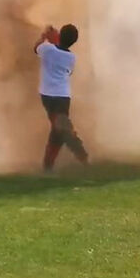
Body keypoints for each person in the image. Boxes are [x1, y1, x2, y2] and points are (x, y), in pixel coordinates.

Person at [34, 24, 89, 172]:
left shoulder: (47, 49)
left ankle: (53, 164)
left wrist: (44, 36)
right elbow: (68, 72)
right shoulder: (71, 57)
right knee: (60, 128)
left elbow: (36, 48)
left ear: (60, 36)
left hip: (47, 96)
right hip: (63, 97)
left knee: (59, 129)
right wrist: (55, 40)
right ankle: (80, 156)